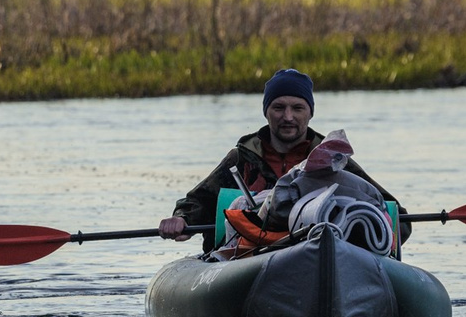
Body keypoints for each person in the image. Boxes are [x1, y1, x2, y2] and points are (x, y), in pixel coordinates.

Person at [156, 68, 410, 250]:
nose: (288, 116)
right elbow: (197, 202)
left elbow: (396, 214)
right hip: (252, 254)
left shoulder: (334, 159)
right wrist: (182, 219)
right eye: (279, 107)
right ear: (266, 112)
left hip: (318, 249)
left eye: (297, 108)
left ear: (310, 113)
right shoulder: (242, 158)